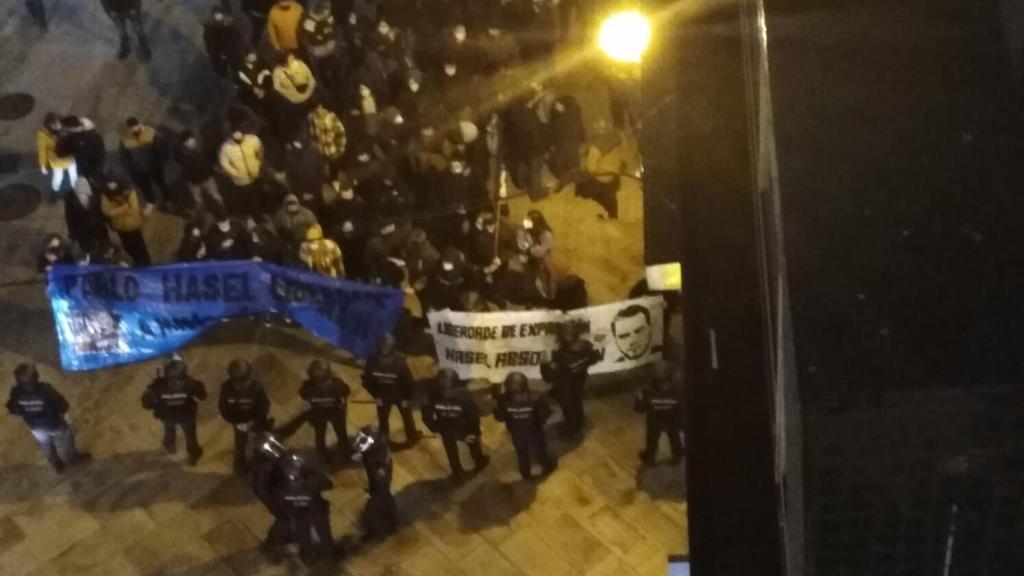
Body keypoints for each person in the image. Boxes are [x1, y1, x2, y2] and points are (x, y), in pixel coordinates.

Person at [6, 364, 91, 473]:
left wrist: (28, 411)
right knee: (66, 439)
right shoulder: (45, 389)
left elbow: (14, 410)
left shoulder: (15, 392)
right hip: (54, 424)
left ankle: (56, 464)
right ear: (36, 377)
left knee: (45, 444)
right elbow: (62, 404)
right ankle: (72, 458)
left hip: (35, 426)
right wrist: (63, 412)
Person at [262, 452, 335, 564]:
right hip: (314, 511)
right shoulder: (311, 481)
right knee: (322, 533)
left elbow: (275, 499)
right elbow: (328, 484)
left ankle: (309, 556)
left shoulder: (280, 487)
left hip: (300, 514)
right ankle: (327, 553)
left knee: (305, 535)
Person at [422, 369, 489, 481]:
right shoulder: (434, 396)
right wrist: (436, 428)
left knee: (472, 445)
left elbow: (473, 416)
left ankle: (478, 460)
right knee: (451, 451)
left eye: (449, 389)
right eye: (443, 390)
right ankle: (457, 472)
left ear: (456, 387)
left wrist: (473, 432)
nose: (446, 393)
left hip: (463, 428)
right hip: (447, 429)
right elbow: (427, 415)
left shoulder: (463, 397)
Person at [541, 321, 601, 438]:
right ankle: (579, 422)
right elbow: (594, 358)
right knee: (576, 403)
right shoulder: (586, 346)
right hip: (579, 382)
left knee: (569, 407)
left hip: (565, 387)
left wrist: (544, 364)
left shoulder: (560, 356)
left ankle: (572, 429)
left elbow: (548, 377)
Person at [141, 357, 207, 465]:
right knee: (190, 435)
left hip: (166, 415)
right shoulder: (190, 383)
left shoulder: (158, 385)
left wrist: (156, 404)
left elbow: (146, 403)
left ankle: (170, 446)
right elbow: (202, 396)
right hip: (186, 416)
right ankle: (193, 455)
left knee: (169, 428)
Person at [492, 371, 555, 481]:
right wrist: (540, 422)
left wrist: (496, 410)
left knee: (522, 454)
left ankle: (526, 474)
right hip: (534, 430)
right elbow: (546, 412)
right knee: (540, 450)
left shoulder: (503, 400)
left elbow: (500, 418)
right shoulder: (535, 397)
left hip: (516, 432)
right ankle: (547, 466)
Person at [362, 334, 420, 444]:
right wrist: (376, 395)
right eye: (383, 345)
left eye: (387, 346)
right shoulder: (372, 360)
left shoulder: (400, 361)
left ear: (392, 346)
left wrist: (406, 398)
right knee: (383, 420)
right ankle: (384, 441)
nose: (385, 348)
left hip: (400, 395)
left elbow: (409, 382)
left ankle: (412, 437)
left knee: (408, 418)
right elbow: (368, 381)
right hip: (382, 396)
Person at [219, 359, 272, 473]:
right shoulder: (227, 389)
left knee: (255, 440)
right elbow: (223, 409)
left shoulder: (255, 388)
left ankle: (257, 459)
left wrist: (252, 421)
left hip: (254, 421)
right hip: (241, 423)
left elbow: (264, 407)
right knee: (240, 445)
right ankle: (241, 465)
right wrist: (237, 422)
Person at [298, 360, 351, 465]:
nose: (324, 385)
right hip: (319, 414)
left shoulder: (337, 385)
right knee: (320, 435)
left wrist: (343, 404)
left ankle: (344, 449)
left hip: (335, 412)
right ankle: (322, 454)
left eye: (325, 380)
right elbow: (304, 397)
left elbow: (346, 392)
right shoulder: (308, 388)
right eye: (320, 382)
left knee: (341, 433)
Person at [351, 425, 399, 541]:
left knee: (377, 505)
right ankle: (390, 522)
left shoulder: (380, 461)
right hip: (376, 479)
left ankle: (381, 529)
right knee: (383, 501)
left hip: (380, 485)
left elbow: (380, 479)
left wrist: (373, 494)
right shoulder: (378, 449)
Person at [635, 362, 684, 466]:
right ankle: (677, 455)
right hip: (672, 420)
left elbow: (639, 409)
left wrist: (639, 398)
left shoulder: (647, 391)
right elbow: (682, 406)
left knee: (652, 440)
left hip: (654, 421)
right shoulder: (676, 391)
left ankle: (650, 458)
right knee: (674, 437)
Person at [575, 120, 624, 220]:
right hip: (615, 178)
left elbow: (591, 168)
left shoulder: (595, 147)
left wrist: (585, 167)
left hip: (602, 181)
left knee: (584, 185)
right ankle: (612, 213)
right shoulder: (616, 142)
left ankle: (604, 211)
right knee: (610, 193)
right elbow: (622, 161)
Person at [119, 117, 169, 211]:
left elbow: (163, 147)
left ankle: (168, 199)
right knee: (145, 187)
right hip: (139, 169)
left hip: (154, 166)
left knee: (161, 183)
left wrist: (162, 160)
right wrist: (130, 169)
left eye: (135, 126)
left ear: (139, 124)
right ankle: (151, 202)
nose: (134, 129)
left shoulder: (151, 133)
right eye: (132, 128)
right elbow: (124, 157)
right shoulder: (125, 140)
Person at [99, 177, 151, 266]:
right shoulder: (105, 195)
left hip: (133, 226)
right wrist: (125, 207)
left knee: (140, 248)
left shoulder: (130, 192)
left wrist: (117, 210)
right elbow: (108, 212)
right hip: (120, 227)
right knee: (129, 248)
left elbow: (134, 209)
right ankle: (135, 264)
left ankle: (146, 265)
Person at [298, 2, 343, 93]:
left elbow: (333, 28)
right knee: (322, 66)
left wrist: (329, 36)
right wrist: (322, 36)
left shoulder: (327, 17)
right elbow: (309, 38)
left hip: (326, 47)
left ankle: (335, 80)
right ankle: (326, 82)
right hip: (319, 49)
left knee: (331, 64)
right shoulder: (310, 23)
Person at [174, 131, 223, 214]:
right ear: (184, 144)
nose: (190, 143)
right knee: (198, 200)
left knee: (215, 195)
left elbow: (212, 156)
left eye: (191, 140)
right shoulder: (182, 155)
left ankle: (221, 210)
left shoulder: (204, 148)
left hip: (207, 178)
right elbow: (183, 166)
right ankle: (202, 215)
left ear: (195, 139)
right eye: (187, 142)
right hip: (194, 182)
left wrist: (212, 168)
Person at [271, 52, 316, 141]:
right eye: (289, 57)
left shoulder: (298, 64)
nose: (292, 57)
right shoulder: (278, 73)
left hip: (307, 95)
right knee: (305, 119)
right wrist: (287, 93)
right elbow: (278, 88)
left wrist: (311, 86)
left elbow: (309, 75)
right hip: (297, 100)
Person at [218, 129, 264, 216]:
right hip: (241, 180)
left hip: (256, 175)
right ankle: (249, 216)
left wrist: (258, 164)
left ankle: (260, 214)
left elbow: (260, 151)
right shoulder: (226, 147)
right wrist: (235, 173)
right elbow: (224, 163)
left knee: (258, 197)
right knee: (246, 199)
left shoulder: (252, 139)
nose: (238, 137)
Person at [37, 113, 77, 200]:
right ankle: (57, 192)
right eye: (56, 124)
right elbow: (42, 151)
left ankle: (56, 193)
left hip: (61, 159)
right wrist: (43, 165)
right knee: (61, 176)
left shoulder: (44, 134)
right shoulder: (44, 135)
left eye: (58, 122)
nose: (59, 125)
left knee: (67, 175)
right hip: (62, 160)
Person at [203, 6, 246, 77]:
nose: (219, 17)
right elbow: (208, 40)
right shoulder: (209, 26)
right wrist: (215, 53)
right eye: (217, 15)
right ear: (213, 15)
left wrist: (236, 48)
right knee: (220, 66)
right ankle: (223, 73)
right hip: (218, 51)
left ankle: (235, 72)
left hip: (231, 50)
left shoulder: (230, 23)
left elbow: (237, 36)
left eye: (220, 14)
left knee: (235, 64)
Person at [308, 103, 347, 171]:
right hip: (320, 154)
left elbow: (340, 134)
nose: (320, 109)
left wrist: (339, 151)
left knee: (335, 168)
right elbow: (312, 136)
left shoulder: (331, 117)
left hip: (333, 153)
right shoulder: (312, 118)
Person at [235, 51, 273, 117]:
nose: (255, 55)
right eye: (252, 55)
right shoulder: (242, 71)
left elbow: (269, 69)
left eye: (254, 54)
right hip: (258, 96)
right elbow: (245, 84)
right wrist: (254, 89)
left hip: (269, 90)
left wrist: (263, 73)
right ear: (246, 58)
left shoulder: (260, 61)